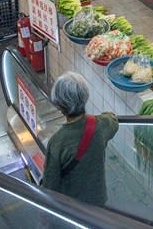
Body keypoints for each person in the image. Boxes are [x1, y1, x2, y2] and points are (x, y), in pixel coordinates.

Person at [42, 72, 118, 206]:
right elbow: (112, 119)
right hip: (98, 199)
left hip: (72, 206)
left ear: (59, 105)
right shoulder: (102, 125)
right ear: (85, 96)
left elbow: (50, 185)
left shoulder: (57, 142)